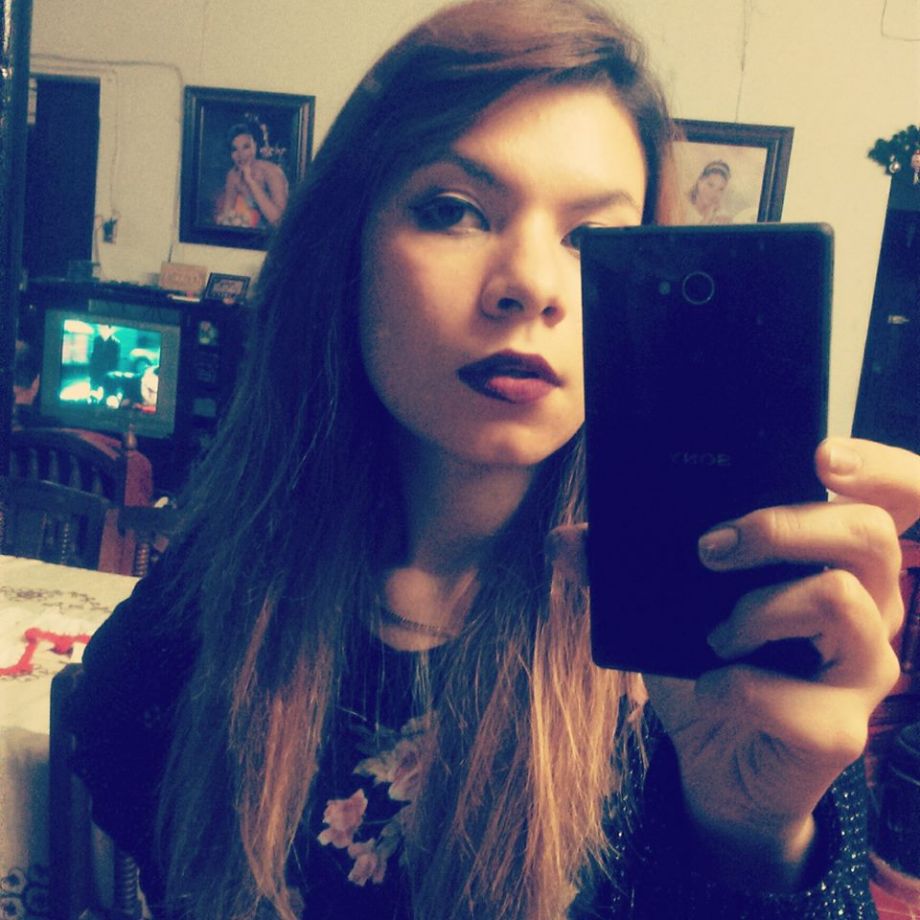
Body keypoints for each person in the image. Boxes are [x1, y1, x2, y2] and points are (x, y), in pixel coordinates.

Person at [68, 1, 920, 918]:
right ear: (347, 254)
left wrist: (752, 835)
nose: (532, 285)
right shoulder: (206, 610)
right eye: (455, 211)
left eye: (590, 241)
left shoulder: (717, 647)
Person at [215, 122, 290, 228]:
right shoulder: (233, 175)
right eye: (235, 149)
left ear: (255, 145)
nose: (240, 155)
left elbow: (279, 222)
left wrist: (251, 182)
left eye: (246, 147)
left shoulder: (272, 172)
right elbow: (227, 215)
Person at [687, 159, 733, 224]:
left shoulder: (718, 213)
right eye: (710, 185)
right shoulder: (684, 208)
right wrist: (707, 219)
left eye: (720, 189)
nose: (714, 193)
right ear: (700, 183)